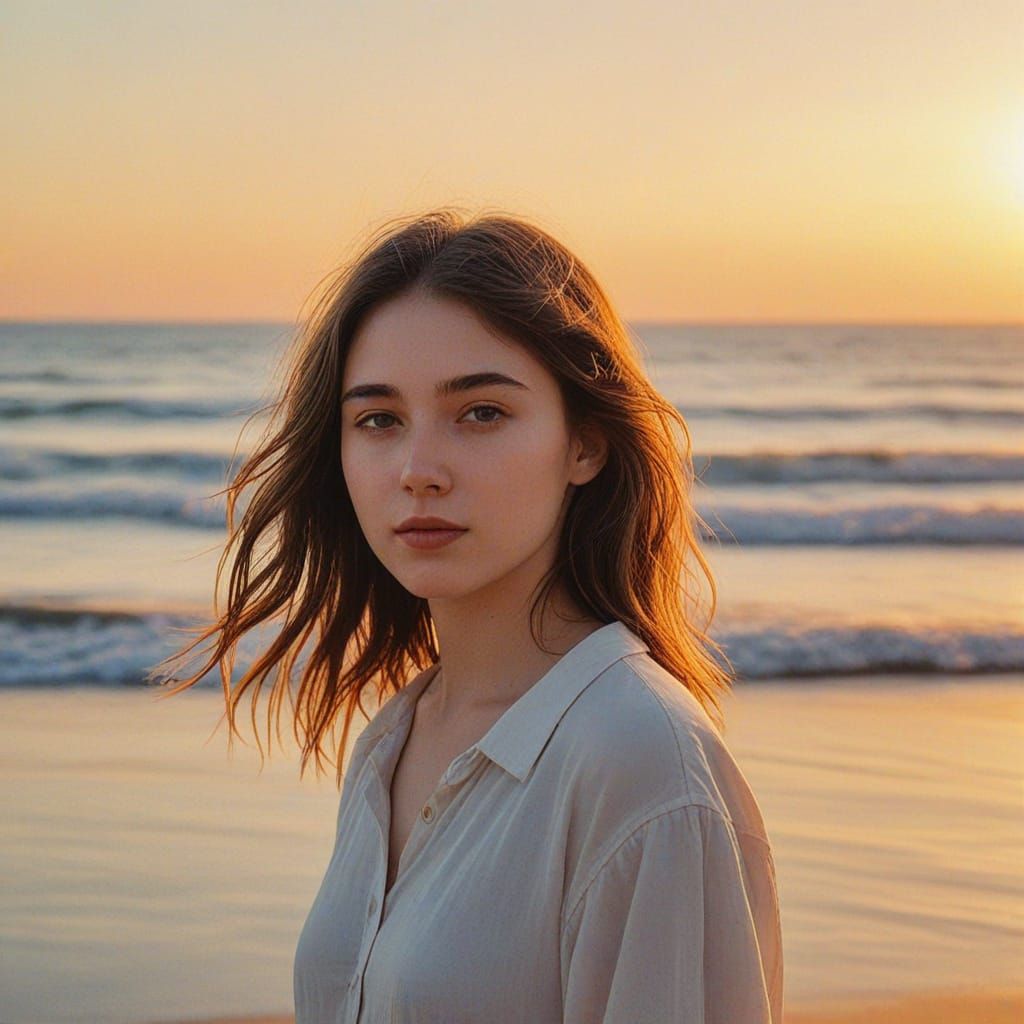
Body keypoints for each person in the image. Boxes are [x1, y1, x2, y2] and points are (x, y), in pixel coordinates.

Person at [150, 208, 784, 1022]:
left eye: (481, 412)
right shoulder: (394, 739)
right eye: (378, 420)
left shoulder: (642, 762)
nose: (418, 470)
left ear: (585, 444)